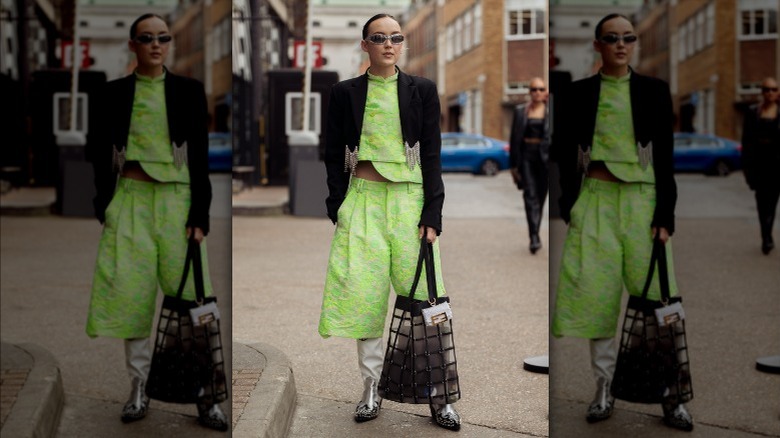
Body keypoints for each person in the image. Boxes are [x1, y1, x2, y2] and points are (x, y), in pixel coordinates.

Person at [84, 13, 227, 431]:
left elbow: (198, 158)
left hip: (178, 202)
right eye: (146, 38)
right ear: (133, 45)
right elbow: (97, 154)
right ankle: (139, 387)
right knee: (131, 299)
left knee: (196, 301)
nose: (156, 44)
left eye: (163, 37)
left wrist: (200, 214)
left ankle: (207, 396)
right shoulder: (112, 94)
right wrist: (105, 206)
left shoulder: (188, 90)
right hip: (128, 200)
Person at [317, 13, 460, 431]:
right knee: (364, 300)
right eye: (378, 37)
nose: (388, 44)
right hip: (361, 201)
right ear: (365, 45)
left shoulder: (422, 90)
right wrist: (338, 206)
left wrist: (433, 212)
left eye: (396, 37)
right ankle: (371, 387)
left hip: (410, 201)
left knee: (428, 300)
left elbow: (432, 155)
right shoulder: (345, 93)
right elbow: (331, 154)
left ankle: (440, 395)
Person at [551, 14, 693, 431]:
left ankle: (672, 394)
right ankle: (603, 387)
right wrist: (571, 205)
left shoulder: (654, 90)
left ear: (634, 44)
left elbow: (665, 159)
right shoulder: (578, 93)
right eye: (611, 38)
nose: (621, 44)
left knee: (660, 300)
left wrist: (665, 215)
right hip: (594, 201)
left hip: (643, 202)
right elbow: (562, 152)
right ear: (597, 45)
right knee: (596, 299)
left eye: (628, 38)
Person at [509, 77, 551, 254]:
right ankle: (534, 236)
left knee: (540, 198)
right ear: (529, 92)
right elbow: (513, 139)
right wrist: (513, 166)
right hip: (526, 156)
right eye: (534, 89)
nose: (537, 93)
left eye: (541, 89)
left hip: (545, 159)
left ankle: (535, 231)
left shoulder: (550, 111)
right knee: (530, 195)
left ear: (545, 92)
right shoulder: (520, 111)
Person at [742, 77, 780, 255]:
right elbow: (746, 142)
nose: (770, 93)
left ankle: (767, 237)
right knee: (761, 203)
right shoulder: (752, 112)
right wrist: (747, 170)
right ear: (762, 92)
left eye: (774, 89)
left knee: (772, 203)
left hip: (776, 165)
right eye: (767, 90)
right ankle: (765, 234)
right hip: (759, 165)